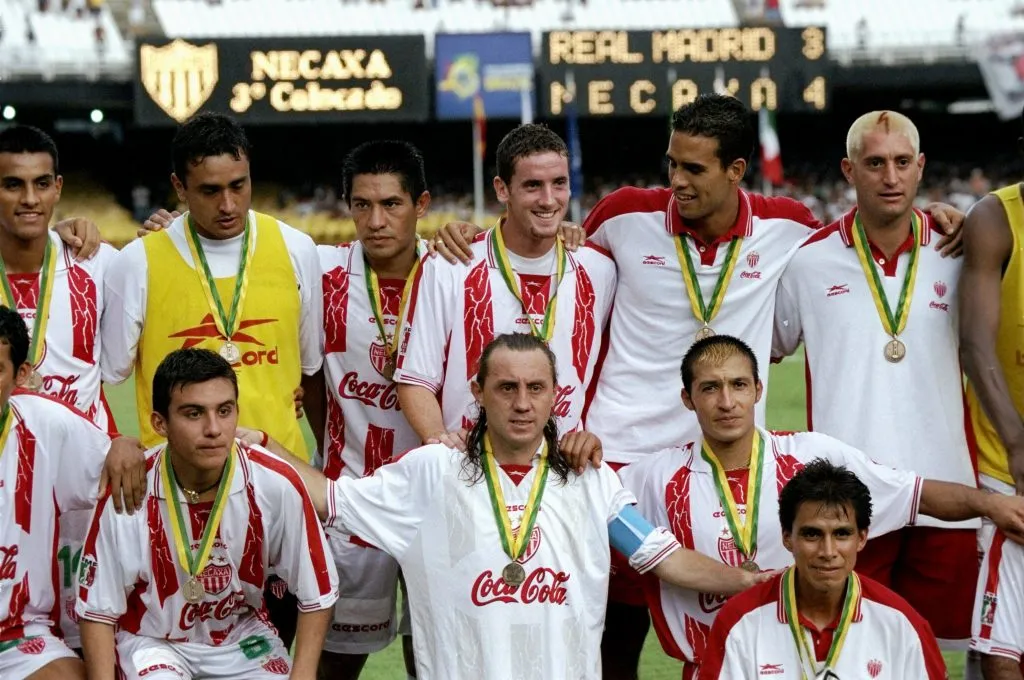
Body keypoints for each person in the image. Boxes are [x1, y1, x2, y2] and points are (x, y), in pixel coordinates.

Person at [427, 95, 963, 677]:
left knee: (753, 620)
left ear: (735, 171)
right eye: (671, 164)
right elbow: (540, 244)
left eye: (693, 168)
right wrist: (465, 234)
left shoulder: (788, 227)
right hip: (621, 462)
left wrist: (928, 211)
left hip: (731, 466)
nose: (675, 181)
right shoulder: (624, 215)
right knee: (608, 636)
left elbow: (866, 224)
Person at [252, 332, 768, 679]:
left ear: (554, 396)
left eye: (535, 388)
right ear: (478, 391)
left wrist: (749, 581)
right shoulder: (431, 471)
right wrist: (255, 442)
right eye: (506, 388)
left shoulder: (590, 481)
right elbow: (328, 497)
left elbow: (663, 557)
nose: (522, 403)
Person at [617, 334, 1024, 677]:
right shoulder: (654, 477)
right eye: (710, 388)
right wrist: (584, 448)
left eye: (739, 385)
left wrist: (992, 505)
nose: (727, 402)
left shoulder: (811, 456)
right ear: (687, 398)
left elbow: (913, 493)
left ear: (759, 390)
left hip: (806, 661)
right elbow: (595, 506)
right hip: (709, 665)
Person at [99, 111, 323, 646]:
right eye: (209, 190)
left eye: (238, 186)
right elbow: (105, 375)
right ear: (178, 187)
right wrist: (118, 438)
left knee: (272, 653)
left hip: (273, 491)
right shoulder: (138, 262)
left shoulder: (297, 249)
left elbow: (309, 367)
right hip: (174, 501)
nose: (228, 205)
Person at [772, 110, 977, 649]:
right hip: (850, 500)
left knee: (953, 649)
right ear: (848, 169)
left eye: (903, 163)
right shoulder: (807, 263)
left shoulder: (961, 252)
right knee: (853, 648)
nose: (891, 177)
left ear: (921, 167)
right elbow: (761, 352)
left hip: (949, 489)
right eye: (875, 163)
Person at [76, 348, 338, 680]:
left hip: (241, 638)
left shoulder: (275, 483)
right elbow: (98, 611)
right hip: (153, 641)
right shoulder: (132, 487)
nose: (214, 428)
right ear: (161, 422)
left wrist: (303, 675)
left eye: (224, 411)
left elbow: (318, 592)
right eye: (194, 413)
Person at [394, 123, 616, 447]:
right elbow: (415, 380)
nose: (548, 199)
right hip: (473, 472)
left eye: (559, 184)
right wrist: (443, 446)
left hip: (560, 476)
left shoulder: (600, 269)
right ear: (502, 189)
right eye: (532, 186)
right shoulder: (450, 265)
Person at [305, 140, 429, 679]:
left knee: (432, 650)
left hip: (434, 497)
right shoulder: (322, 274)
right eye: (362, 205)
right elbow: (311, 382)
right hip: (352, 495)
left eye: (392, 205)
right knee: (338, 656)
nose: (376, 221)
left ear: (421, 204)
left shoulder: (456, 274)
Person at [0, 124, 123, 654]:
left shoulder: (101, 264)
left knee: (94, 641)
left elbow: (122, 364)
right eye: (11, 184)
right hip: (10, 483)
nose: (29, 198)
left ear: (57, 188)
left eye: (40, 183)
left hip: (87, 486)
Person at [698, 459, 947, 679]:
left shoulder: (901, 624)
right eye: (812, 534)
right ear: (787, 538)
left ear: (861, 539)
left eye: (841, 534)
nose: (828, 552)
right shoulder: (740, 622)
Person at [0, 304, 145, 680]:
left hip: (15, 637)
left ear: (21, 374)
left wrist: (121, 444)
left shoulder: (45, 424)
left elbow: (117, 458)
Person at [959, 109, 1024, 680]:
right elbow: (975, 346)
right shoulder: (997, 218)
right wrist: (1019, 446)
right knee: (996, 642)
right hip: (1005, 467)